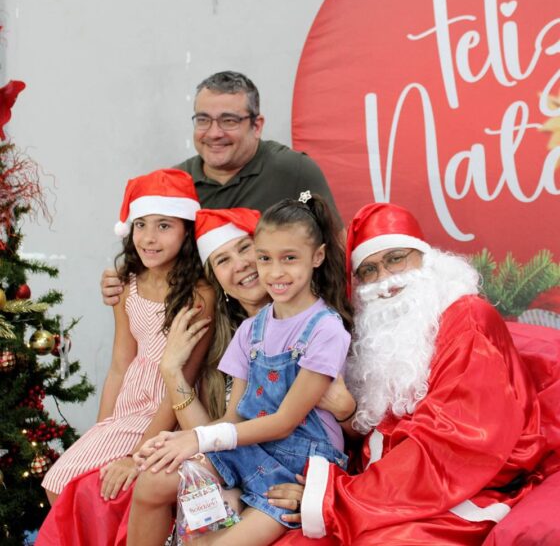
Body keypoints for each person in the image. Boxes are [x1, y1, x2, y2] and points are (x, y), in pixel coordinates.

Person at [269, 203, 551, 546]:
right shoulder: (374, 332)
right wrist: (347, 413)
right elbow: (385, 427)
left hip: (466, 484)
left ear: (426, 257)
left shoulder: (468, 318)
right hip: (393, 482)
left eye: (396, 258)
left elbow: (454, 444)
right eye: (369, 270)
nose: (385, 280)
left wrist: (333, 498)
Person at [134, 194, 353, 545]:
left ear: (318, 257)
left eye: (289, 259)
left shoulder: (325, 330)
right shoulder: (252, 330)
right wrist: (178, 440)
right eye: (264, 258)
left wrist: (199, 439)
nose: (275, 271)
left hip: (297, 464)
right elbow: (235, 415)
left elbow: (285, 422)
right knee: (151, 481)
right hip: (248, 446)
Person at [40, 169, 214, 506]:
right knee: (65, 484)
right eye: (140, 224)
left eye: (164, 225)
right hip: (128, 406)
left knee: (64, 484)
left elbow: (186, 379)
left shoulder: (198, 294)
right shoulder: (126, 283)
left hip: (170, 407)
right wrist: (103, 426)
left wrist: (137, 454)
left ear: (187, 231)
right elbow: (121, 362)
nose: (149, 237)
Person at [102, 70, 342, 307]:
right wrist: (121, 281)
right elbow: (152, 259)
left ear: (256, 126)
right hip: (202, 330)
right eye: (203, 120)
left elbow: (336, 253)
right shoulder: (174, 186)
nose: (214, 133)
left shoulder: (294, 171)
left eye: (229, 121)